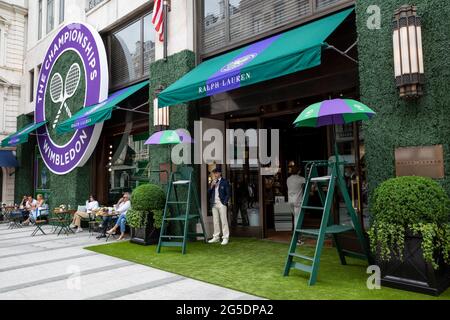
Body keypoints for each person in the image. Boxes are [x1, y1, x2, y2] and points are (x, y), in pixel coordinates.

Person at [208, 167, 231, 246]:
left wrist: (224, 203)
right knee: (216, 221)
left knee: (224, 220)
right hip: (214, 203)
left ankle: (225, 237)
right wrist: (211, 186)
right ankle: (216, 237)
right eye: (214, 173)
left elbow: (228, 193)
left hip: (221, 203)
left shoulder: (225, 182)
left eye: (216, 173)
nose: (215, 174)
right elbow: (209, 193)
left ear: (220, 173)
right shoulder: (213, 181)